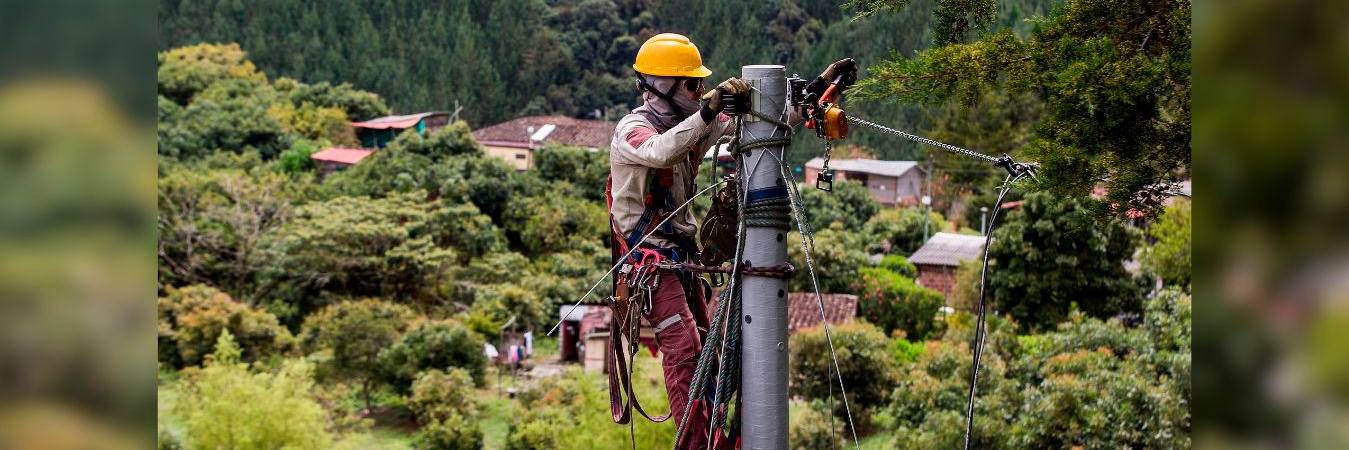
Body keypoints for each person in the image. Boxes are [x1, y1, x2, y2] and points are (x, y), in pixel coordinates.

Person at [607, 32, 853, 449]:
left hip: (679, 258)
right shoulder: (633, 129)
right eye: (691, 85)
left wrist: (809, 94)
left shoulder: (690, 124)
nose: (699, 91)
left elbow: (758, 126)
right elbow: (660, 152)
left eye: (700, 85)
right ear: (660, 86)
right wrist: (709, 108)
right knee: (685, 349)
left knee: (709, 352)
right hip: (648, 263)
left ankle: (718, 438)